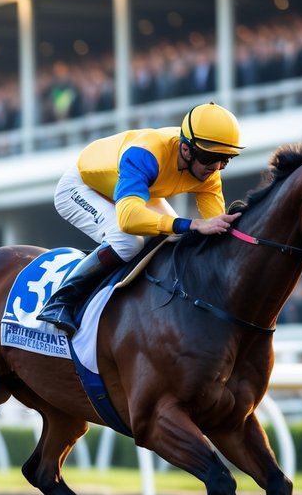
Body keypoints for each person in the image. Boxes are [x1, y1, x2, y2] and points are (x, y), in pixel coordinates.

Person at [36, 102, 245, 335]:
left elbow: (215, 227)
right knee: (127, 241)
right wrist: (192, 224)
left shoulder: (208, 171)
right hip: (82, 187)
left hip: (133, 189)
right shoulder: (146, 154)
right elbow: (128, 219)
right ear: (187, 150)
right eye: (211, 157)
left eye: (225, 159)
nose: (216, 167)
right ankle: (61, 300)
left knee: (170, 239)